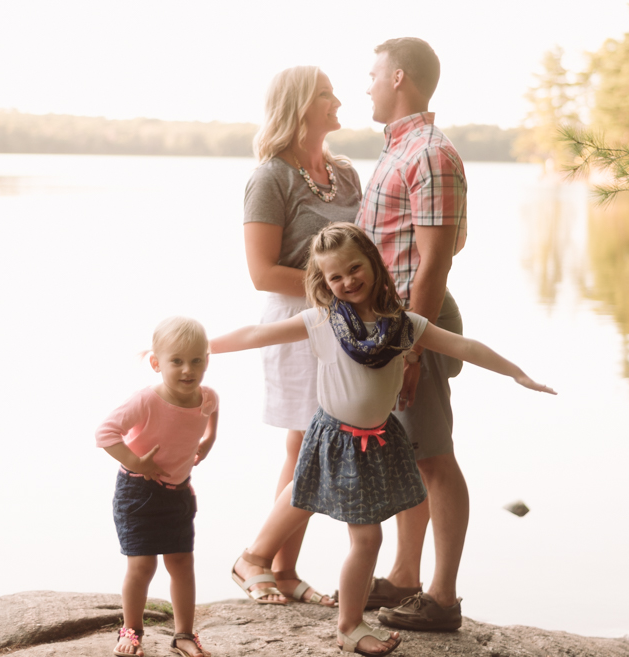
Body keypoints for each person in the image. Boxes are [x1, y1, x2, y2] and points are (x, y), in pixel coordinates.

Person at [213, 223, 554, 656]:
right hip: (335, 438)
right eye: (335, 277)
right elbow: (254, 335)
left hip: (376, 442)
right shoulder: (323, 321)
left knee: (320, 505)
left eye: (355, 268)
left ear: (374, 263)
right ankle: (348, 625)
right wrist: (202, 348)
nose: (348, 281)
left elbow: (466, 347)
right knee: (362, 534)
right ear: (324, 282)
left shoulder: (404, 325)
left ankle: (297, 586)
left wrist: (517, 373)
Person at [236, 65, 362, 606]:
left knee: (309, 443)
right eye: (326, 95)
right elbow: (262, 272)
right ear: (300, 106)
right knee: (312, 441)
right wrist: (335, 295)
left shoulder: (348, 174)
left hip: (347, 325)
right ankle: (258, 559)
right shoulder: (270, 178)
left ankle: (282, 571)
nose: (339, 101)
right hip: (296, 322)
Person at [356, 37, 470, 632]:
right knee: (408, 454)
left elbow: (435, 263)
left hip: (412, 326)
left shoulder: (429, 154)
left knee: (434, 457)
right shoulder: (400, 150)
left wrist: (413, 347)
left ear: (398, 77)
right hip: (389, 327)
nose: (367, 84)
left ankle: (443, 598)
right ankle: (404, 577)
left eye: (373, 73)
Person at [95, 317, 220, 657]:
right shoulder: (147, 400)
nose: (186, 369)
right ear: (156, 363)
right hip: (138, 492)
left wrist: (208, 441)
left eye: (196, 360)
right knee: (143, 566)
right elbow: (105, 433)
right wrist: (136, 461)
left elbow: (212, 408)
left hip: (178, 493)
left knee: (182, 562)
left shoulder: (206, 397)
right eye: (176, 361)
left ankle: (184, 635)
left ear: (206, 361)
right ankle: (132, 630)